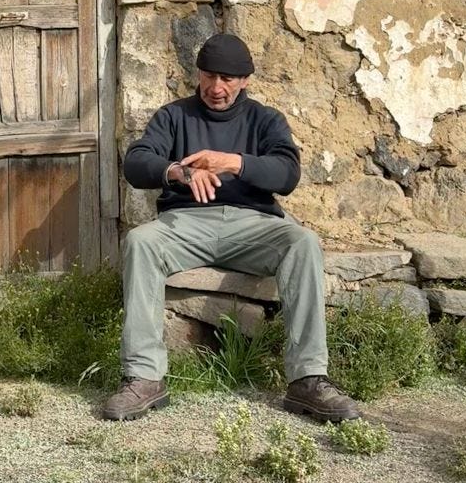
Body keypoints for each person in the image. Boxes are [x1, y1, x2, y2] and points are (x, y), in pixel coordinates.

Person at [103, 32, 360, 423]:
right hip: (185, 223)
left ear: (244, 81)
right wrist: (178, 171)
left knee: (303, 242)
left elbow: (287, 174)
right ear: (199, 74)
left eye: (227, 79)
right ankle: (144, 378)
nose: (216, 87)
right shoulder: (174, 116)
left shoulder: (265, 119)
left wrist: (234, 162)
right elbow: (136, 163)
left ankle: (308, 380)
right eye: (209, 76)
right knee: (141, 241)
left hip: (253, 225)